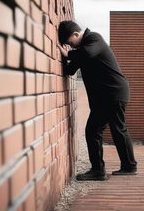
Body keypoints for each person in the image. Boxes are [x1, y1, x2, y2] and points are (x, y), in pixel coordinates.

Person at [58, 20, 137, 181]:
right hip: (107, 96)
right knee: (101, 130)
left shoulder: (94, 39)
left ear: (76, 34)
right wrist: (65, 60)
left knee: (108, 130)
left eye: (70, 42)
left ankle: (110, 169)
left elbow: (85, 54)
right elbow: (70, 70)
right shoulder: (83, 50)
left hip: (113, 93)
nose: (70, 47)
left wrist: (68, 55)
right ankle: (116, 168)